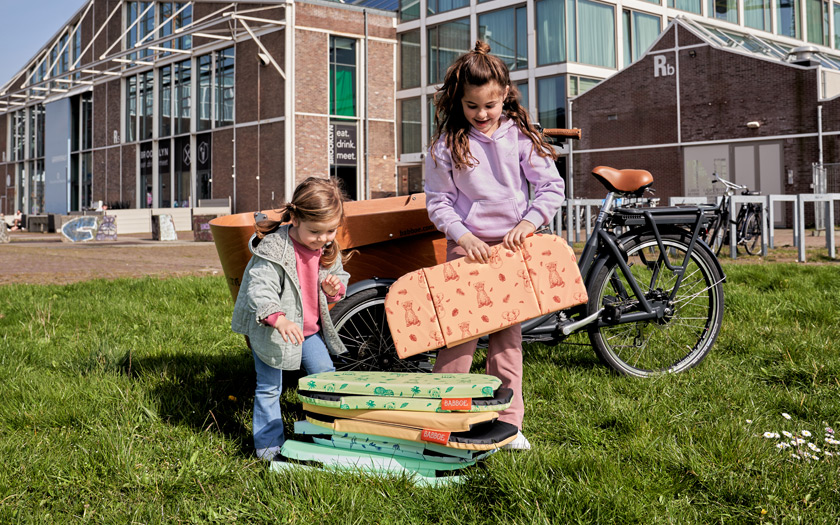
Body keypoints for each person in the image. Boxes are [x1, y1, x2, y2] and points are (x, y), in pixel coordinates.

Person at [424, 41, 566, 451]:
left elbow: (550, 186)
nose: (482, 115)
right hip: (466, 249)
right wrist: (463, 236)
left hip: (512, 250)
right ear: (459, 101)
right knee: (458, 341)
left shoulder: (520, 138)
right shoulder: (446, 146)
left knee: (507, 341)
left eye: (490, 105)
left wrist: (529, 222)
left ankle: (509, 425)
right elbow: (439, 202)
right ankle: (444, 420)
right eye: (472, 106)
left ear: (504, 95)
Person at [231, 177, 351, 461]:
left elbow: (340, 276)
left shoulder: (325, 247)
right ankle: (269, 448)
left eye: (331, 230)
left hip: (307, 331)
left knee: (325, 379)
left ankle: (323, 434)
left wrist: (334, 289)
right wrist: (279, 319)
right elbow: (259, 287)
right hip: (273, 331)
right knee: (270, 386)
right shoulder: (274, 249)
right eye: (316, 232)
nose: (324, 238)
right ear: (295, 218)